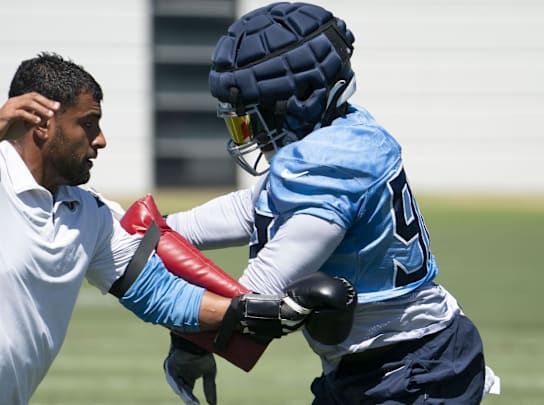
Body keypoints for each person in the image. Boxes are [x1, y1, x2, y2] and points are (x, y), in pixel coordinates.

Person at [0, 52, 347, 404]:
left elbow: (158, 295)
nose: (100, 140)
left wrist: (263, 312)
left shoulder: (91, 214)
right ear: (41, 122)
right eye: (89, 123)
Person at [161, 2, 499, 404]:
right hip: (388, 363)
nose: (246, 133)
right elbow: (254, 209)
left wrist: (187, 335)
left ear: (297, 99)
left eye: (249, 118)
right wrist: (156, 229)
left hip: (411, 370)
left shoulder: (329, 165)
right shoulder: (342, 135)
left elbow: (258, 292)